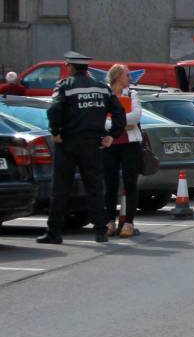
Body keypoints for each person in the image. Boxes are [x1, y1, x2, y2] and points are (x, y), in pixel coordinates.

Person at [37, 52, 125, 245]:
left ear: (70, 67)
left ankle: (54, 233)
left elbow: (53, 109)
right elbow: (119, 112)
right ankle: (100, 232)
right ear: (86, 68)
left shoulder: (65, 85)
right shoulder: (102, 88)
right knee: (95, 188)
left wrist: (55, 131)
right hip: (93, 144)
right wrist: (113, 135)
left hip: (68, 143)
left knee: (61, 189)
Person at [102, 64, 142, 237]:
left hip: (130, 144)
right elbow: (102, 119)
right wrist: (121, 125)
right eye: (127, 75)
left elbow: (136, 116)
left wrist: (117, 123)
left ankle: (128, 223)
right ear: (117, 76)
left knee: (130, 183)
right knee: (110, 183)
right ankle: (109, 221)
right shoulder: (105, 96)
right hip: (110, 145)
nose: (130, 78)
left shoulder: (132, 94)